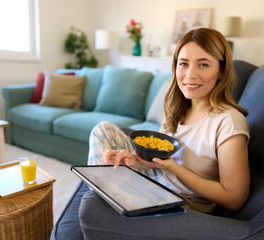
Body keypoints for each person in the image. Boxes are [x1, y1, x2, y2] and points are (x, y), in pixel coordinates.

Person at [87, 28, 250, 212]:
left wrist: (174, 168)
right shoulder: (177, 108)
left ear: (221, 71)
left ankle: (101, 199)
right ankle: (102, 192)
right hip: (154, 179)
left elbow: (234, 198)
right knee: (103, 130)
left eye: (203, 64)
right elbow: (157, 160)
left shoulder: (228, 122)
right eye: (184, 64)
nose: (190, 75)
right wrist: (132, 160)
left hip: (181, 200)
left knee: (92, 204)